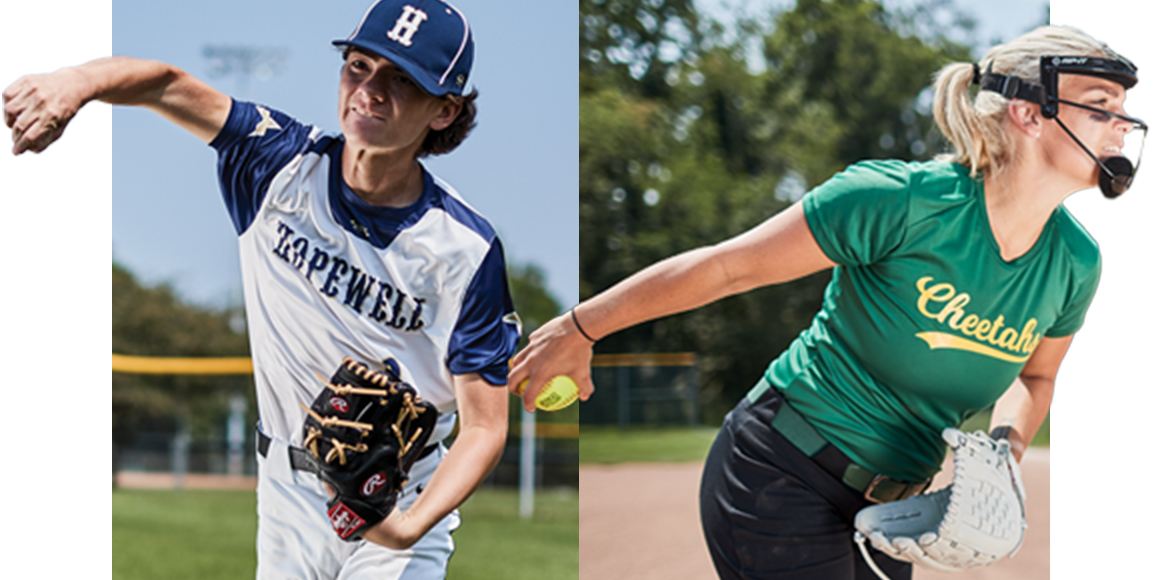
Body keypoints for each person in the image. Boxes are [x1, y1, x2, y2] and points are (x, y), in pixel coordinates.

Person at [509, 25, 1145, 580]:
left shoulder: (1075, 263)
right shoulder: (899, 201)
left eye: (1124, 111)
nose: (1123, 125)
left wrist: (1003, 455)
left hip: (890, 511)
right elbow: (727, 267)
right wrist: (580, 326)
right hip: (780, 471)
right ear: (1028, 114)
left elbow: (1036, 376)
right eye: (1099, 106)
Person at [5, 0, 520, 578]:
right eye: (358, 65)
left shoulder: (464, 250)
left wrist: (408, 527)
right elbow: (166, 84)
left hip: (398, 488)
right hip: (285, 495)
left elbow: (485, 426)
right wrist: (75, 82)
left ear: (445, 111)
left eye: (401, 79)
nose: (369, 90)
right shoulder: (277, 164)